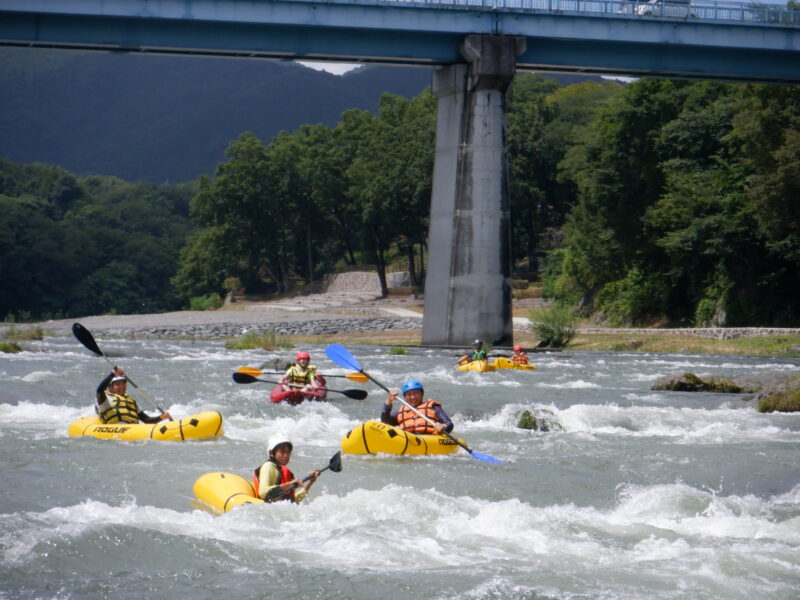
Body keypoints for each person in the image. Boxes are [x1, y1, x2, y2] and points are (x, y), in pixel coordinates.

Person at [253, 434, 320, 503]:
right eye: (282, 452)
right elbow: (263, 492)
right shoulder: (268, 466)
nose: (286, 455)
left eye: (288, 452)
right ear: (271, 452)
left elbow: (294, 501)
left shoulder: (282, 470)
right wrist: (289, 484)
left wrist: (310, 482)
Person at [95, 366, 171, 424]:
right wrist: (113, 374)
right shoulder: (104, 399)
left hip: (132, 432)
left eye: (123, 383)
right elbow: (99, 390)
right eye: (118, 384)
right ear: (110, 387)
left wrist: (161, 417)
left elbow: (146, 420)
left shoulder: (131, 402)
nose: (121, 386)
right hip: (115, 431)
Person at [381, 379, 453, 435]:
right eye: (409, 394)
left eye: (416, 393)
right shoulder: (401, 411)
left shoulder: (433, 407)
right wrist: (389, 401)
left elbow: (449, 424)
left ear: (422, 394)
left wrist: (444, 426)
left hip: (429, 439)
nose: (413, 397)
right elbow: (385, 422)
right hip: (408, 441)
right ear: (405, 397)